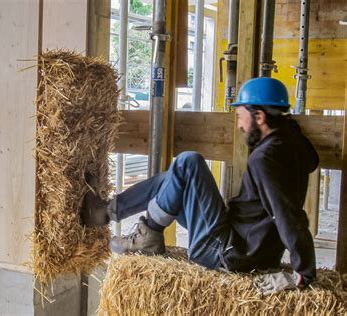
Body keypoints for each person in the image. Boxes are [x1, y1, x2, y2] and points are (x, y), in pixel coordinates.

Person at [81, 77, 319, 294]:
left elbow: (287, 214)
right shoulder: (292, 144)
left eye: (241, 116)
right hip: (248, 248)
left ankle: (148, 234)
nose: (239, 125)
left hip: (228, 253)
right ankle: (108, 211)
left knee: (188, 161)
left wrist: (303, 272)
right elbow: (311, 160)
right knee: (171, 179)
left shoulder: (265, 158)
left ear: (259, 117)